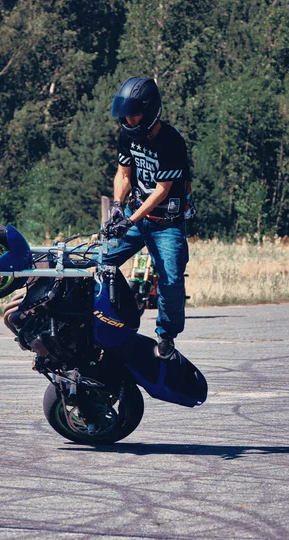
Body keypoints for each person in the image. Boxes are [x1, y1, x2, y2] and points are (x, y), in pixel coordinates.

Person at [104, 76, 195, 359]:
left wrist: (129, 222)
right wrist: (118, 207)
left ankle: (166, 337)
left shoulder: (171, 142)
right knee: (101, 261)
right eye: (125, 116)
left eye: (134, 115)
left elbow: (162, 191)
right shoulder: (127, 134)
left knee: (170, 281)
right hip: (135, 214)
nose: (129, 121)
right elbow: (123, 173)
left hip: (166, 224)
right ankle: (98, 318)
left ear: (151, 109)